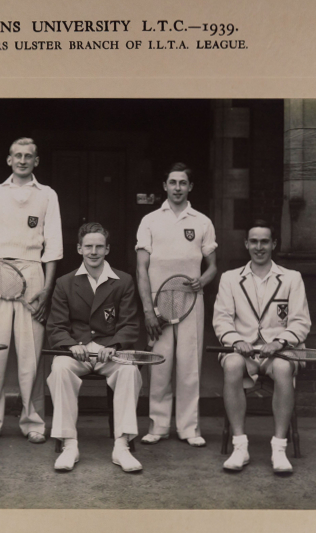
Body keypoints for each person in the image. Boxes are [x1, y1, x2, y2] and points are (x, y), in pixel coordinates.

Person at [0, 137, 63, 444]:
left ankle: (33, 422)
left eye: (28, 156)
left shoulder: (48, 195)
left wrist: (46, 291)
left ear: (36, 161)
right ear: (9, 160)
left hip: (33, 274)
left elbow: (52, 247)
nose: (22, 160)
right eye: (17, 156)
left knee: (32, 355)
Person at [212, 220, 311, 474]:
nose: (259, 247)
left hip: (279, 351)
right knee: (232, 363)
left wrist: (279, 342)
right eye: (254, 241)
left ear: (273, 244)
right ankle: (240, 446)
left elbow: (301, 321)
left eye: (264, 241)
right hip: (242, 352)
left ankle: (279, 448)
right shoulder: (230, 278)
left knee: (282, 367)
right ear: (246, 244)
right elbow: (221, 319)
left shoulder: (292, 278)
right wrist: (236, 341)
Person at [46, 223, 143, 472]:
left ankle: (122, 446)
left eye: (99, 246)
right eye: (88, 246)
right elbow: (56, 326)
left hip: (109, 351)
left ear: (107, 249)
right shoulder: (65, 283)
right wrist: (70, 345)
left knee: (129, 370)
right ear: (79, 248)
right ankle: (69, 444)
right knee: (59, 368)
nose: (93, 251)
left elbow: (130, 324)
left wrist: (113, 345)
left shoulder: (123, 281)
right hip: (77, 351)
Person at [135, 163, 217, 447]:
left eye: (183, 183)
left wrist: (202, 282)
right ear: (165, 186)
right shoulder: (150, 220)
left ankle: (189, 428)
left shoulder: (202, 221)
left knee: (189, 366)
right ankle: (157, 427)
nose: (178, 188)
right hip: (159, 304)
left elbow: (212, 267)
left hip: (191, 302)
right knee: (159, 365)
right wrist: (148, 311)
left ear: (190, 187)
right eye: (173, 182)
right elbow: (141, 269)